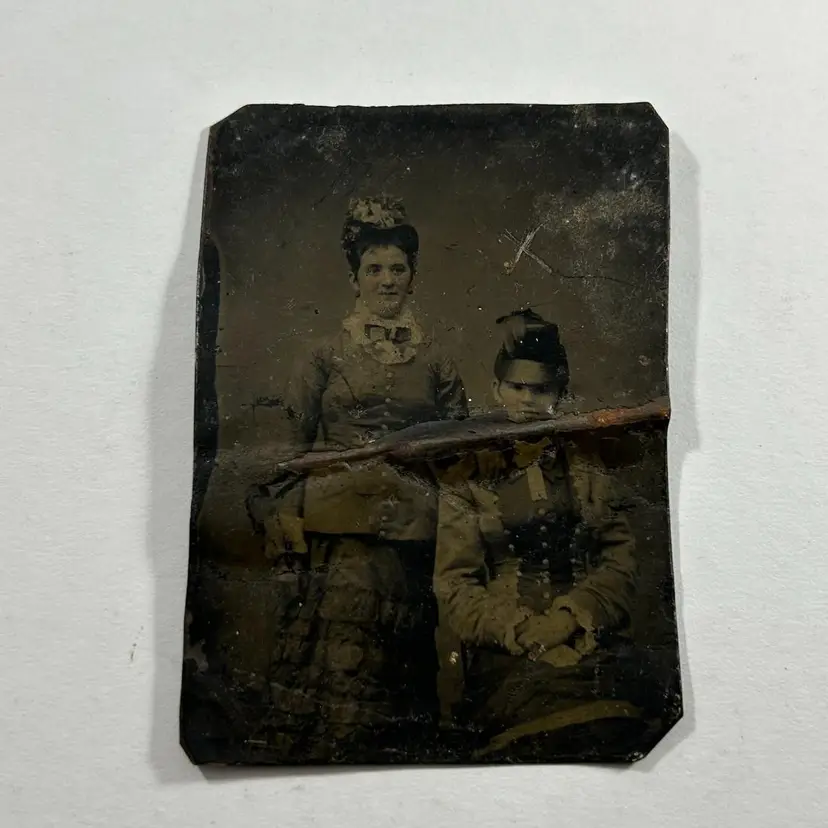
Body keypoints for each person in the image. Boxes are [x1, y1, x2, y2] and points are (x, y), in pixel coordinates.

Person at [247, 196, 468, 763]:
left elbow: (463, 453)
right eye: (374, 269)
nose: (387, 280)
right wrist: (279, 513)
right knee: (338, 675)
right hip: (337, 532)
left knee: (403, 670)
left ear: (413, 277)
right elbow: (286, 449)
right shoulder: (322, 354)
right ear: (355, 278)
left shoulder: (439, 359)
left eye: (398, 269)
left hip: (413, 534)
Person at [433, 309, 660, 762]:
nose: (527, 400)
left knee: (621, 724)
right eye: (516, 388)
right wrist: (522, 630)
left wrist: (572, 618)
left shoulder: (588, 467)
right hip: (506, 652)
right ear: (496, 390)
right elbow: (454, 586)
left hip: (592, 640)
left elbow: (620, 560)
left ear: (562, 393)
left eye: (542, 390)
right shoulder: (468, 477)